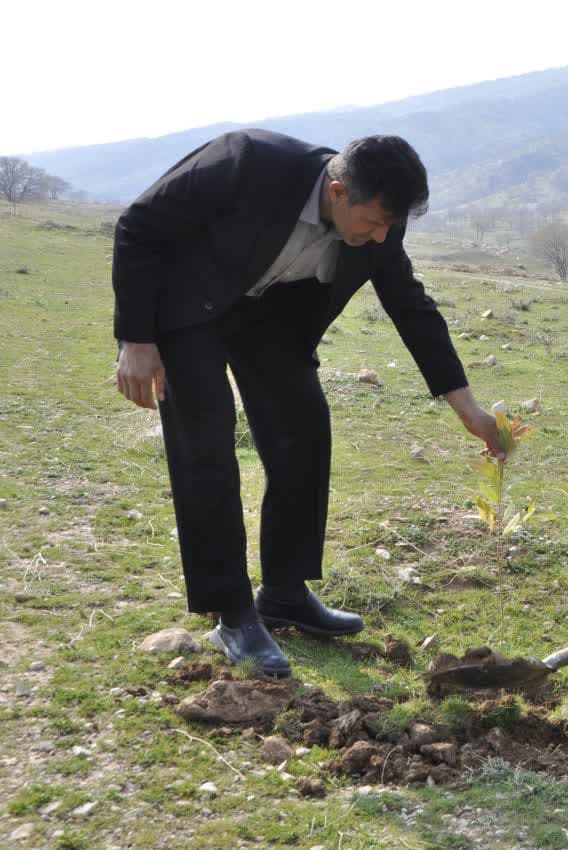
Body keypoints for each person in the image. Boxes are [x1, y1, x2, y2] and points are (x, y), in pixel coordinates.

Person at [113, 130, 502, 677]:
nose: (382, 235)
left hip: (271, 317)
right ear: (338, 191)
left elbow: (411, 307)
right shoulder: (246, 163)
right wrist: (135, 339)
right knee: (207, 446)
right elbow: (139, 225)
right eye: (374, 223)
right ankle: (233, 613)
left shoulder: (381, 220)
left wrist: (469, 410)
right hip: (189, 307)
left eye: (391, 225)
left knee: (303, 431)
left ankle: (284, 592)